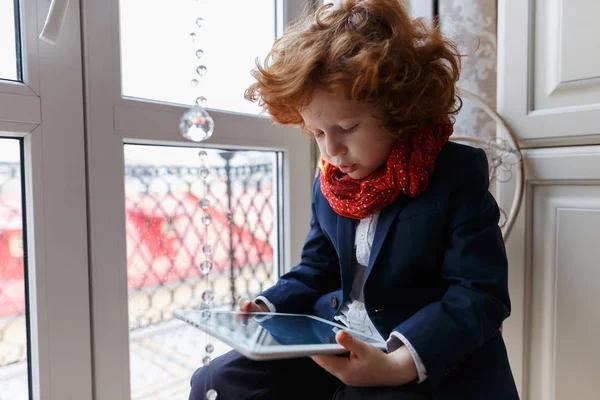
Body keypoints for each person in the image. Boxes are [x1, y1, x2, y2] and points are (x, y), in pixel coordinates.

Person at [189, 0, 520, 398]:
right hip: (338, 338)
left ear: (400, 110)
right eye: (317, 133)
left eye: (346, 127)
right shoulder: (330, 182)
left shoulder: (455, 173)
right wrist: (266, 306)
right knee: (216, 381)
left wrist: (399, 362)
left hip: (419, 352)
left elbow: (479, 294)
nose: (332, 150)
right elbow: (317, 268)